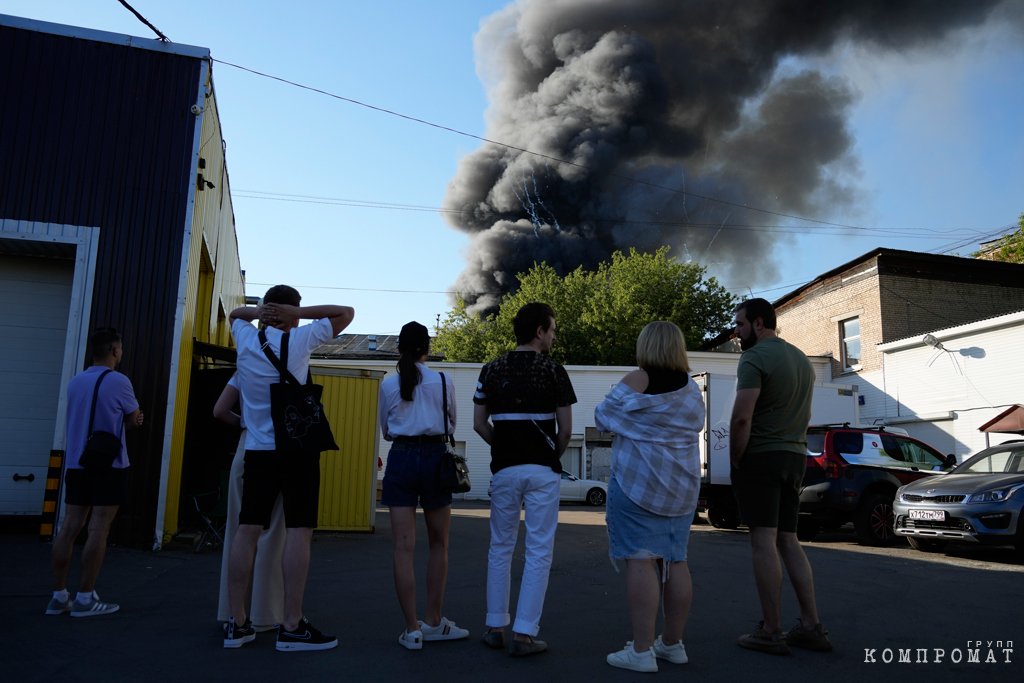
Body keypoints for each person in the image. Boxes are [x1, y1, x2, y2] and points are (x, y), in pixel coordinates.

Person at [224, 285, 354, 651]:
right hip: (296, 449)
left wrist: (259, 313)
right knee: (299, 531)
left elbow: (234, 315)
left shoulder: (245, 339)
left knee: (247, 530)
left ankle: (237, 623)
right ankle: (292, 625)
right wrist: (294, 315)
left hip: (257, 449)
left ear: (266, 308)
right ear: (293, 313)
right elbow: (345, 311)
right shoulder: (299, 340)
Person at [595, 321, 704, 672]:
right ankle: (672, 644)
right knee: (676, 560)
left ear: (647, 346)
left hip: (639, 485)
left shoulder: (637, 379)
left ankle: (641, 651)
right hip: (682, 487)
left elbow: (603, 416)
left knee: (641, 560)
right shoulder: (691, 388)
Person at [729, 298, 832, 655]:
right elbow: (804, 416)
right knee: (789, 541)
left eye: (740, 325)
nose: (737, 332)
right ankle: (811, 625)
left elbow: (742, 417)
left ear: (759, 323)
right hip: (794, 456)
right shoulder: (802, 361)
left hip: (763, 457)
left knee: (763, 540)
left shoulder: (755, 357)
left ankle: (771, 630)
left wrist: (736, 458)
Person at [473, 302, 576, 656]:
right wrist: (548, 457)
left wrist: (503, 446)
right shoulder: (554, 371)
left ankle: (494, 626)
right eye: (552, 329)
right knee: (538, 551)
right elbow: (566, 432)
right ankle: (524, 634)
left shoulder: (491, 369)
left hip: (504, 470)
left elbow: (478, 423)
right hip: (541, 471)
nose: (554, 335)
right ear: (539, 332)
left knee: (500, 547)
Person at [379, 321, 470, 650]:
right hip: (435, 459)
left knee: (403, 548)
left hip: (401, 458)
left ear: (399, 348)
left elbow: (386, 430)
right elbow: (451, 424)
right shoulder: (443, 380)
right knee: (438, 545)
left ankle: (411, 629)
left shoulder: (389, 385)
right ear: (427, 348)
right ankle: (433, 621)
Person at [47, 327, 143, 617]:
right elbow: (131, 419)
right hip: (109, 466)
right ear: (114, 350)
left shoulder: (75, 382)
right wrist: (135, 420)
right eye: (121, 349)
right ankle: (86, 597)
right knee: (98, 528)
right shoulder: (119, 381)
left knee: (68, 527)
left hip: (78, 463)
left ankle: (59, 596)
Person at [213, 374, 285, 631]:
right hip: (277, 448)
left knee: (239, 531)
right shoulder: (290, 366)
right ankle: (266, 614)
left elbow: (219, 411)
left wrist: (243, 422)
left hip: (246, 447)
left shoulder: (244, 368)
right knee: (273, 533)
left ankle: (232, 612)